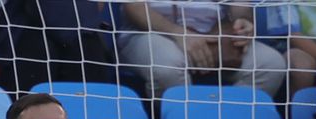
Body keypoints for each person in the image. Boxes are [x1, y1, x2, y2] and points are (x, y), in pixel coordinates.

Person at [120, 0, 286, 99]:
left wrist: (243, 20)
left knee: (271, 64)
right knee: (168, 67)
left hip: (213, 33)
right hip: (154, 32)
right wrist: (179, 34)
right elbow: (134, 7)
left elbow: (238, 4)